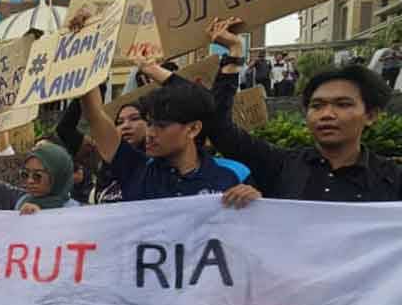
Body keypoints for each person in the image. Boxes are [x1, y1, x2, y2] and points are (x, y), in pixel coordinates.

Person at [205, 17, 402, 202]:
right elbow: (219, 129)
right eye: (317, 106)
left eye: (342, 104)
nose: (327, 114)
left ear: (370, 115)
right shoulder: (281, 166)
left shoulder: (392, 180)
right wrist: (234, 54)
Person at [80, 51, 259, 207]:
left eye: (161, 126)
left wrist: (255, 202)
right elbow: (95, 116)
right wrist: (85, 56)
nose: (150, 133)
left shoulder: (234, 174)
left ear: (193, 129)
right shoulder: (136, 168)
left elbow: (257, 231)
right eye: (149, 123)